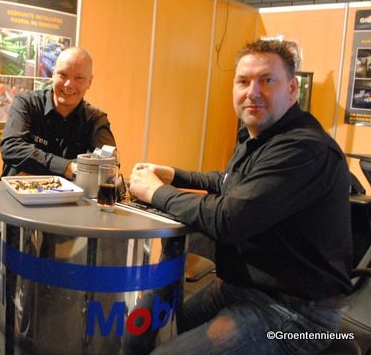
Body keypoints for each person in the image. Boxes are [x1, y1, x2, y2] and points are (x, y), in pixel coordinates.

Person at [129, 39, 353, 355]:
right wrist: (174, 174)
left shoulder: (303, 147)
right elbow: (228, 181)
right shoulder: (260, 137)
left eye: (267, 80)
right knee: (143, 334)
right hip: (239, 288)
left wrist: (155, 191)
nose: (253, 92)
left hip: (297, 315)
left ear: (292, 89)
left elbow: (229, 218)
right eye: (243, 81)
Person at [0, 47, 116, 328]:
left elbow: (108, 164)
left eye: (79, 78)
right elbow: (11, 148)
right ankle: (11, 320)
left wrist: (39, 163)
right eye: (62, 75)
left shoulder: (95, 119)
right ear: (52, 74)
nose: (69, 84)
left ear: (90, 82)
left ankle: (37, 325)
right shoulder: (26, 103)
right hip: (15, 202)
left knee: (61, 272)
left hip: (68, 212)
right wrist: (68, 167)